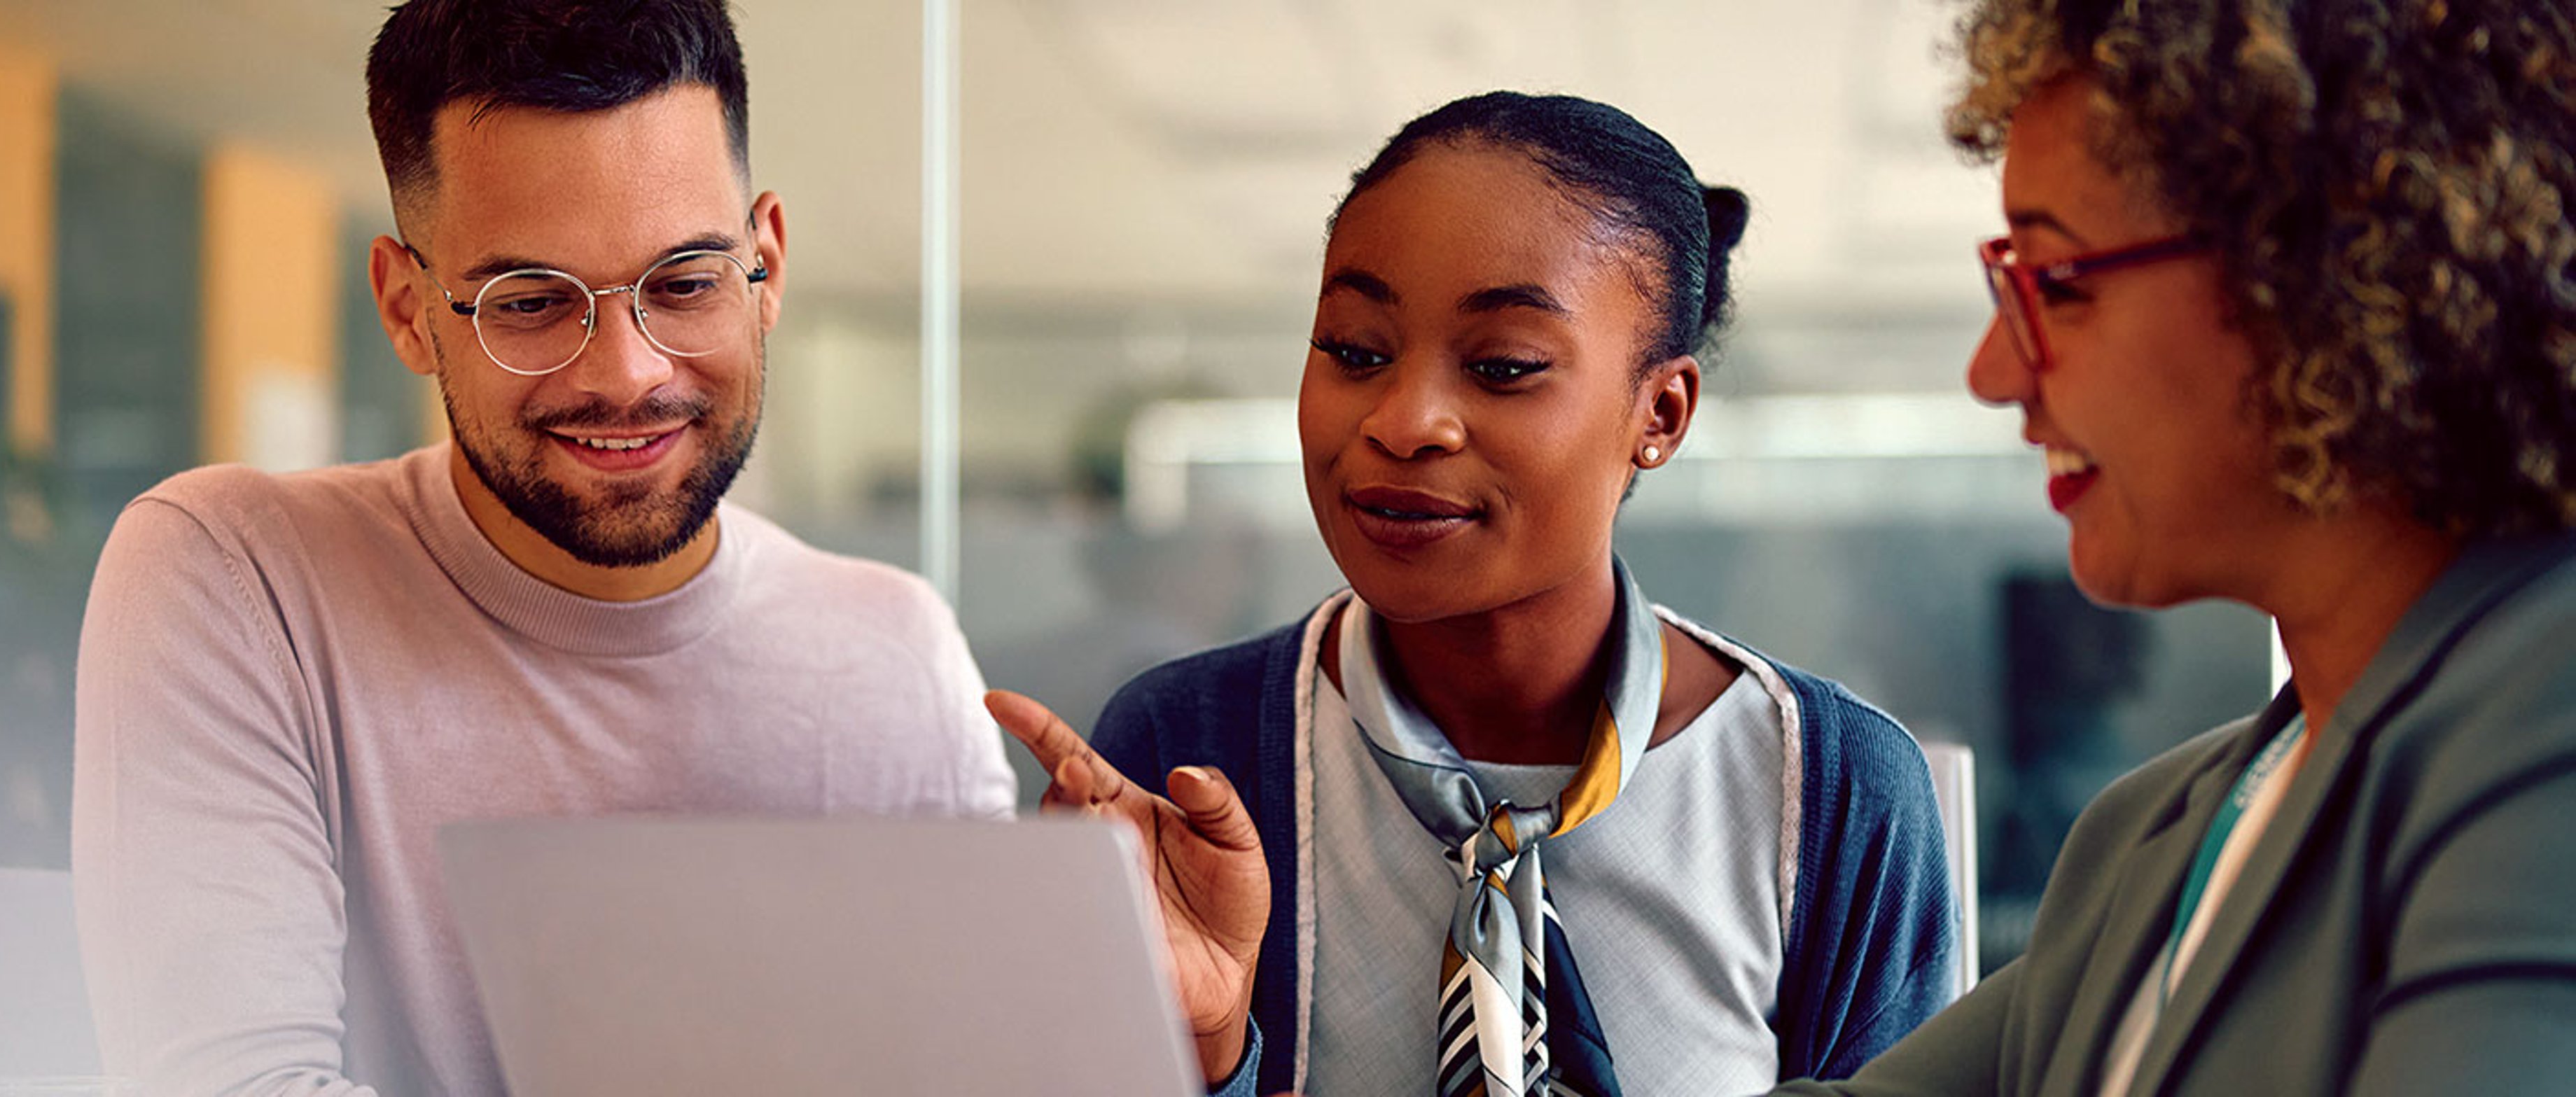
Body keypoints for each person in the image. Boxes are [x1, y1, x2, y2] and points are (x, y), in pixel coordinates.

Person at [69, 1, 1015, 1093]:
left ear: (767, 267)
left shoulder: (897, 654)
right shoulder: (238, 581)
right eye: (529, 301)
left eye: (686, 283)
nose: (626, 372)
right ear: (409, 308)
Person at [991, 92, 1961, 1097]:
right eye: (1356, 351)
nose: (1405, 422)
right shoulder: (1190, 746)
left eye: (1503, 367)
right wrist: (1211, 1056)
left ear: (1659, 414)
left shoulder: (1833, 792)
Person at [1765, 1, 2576, 1093]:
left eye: (2056, 283)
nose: (1995, 371)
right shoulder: (2148, 838)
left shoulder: (2544, 726)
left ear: (2326, 279)